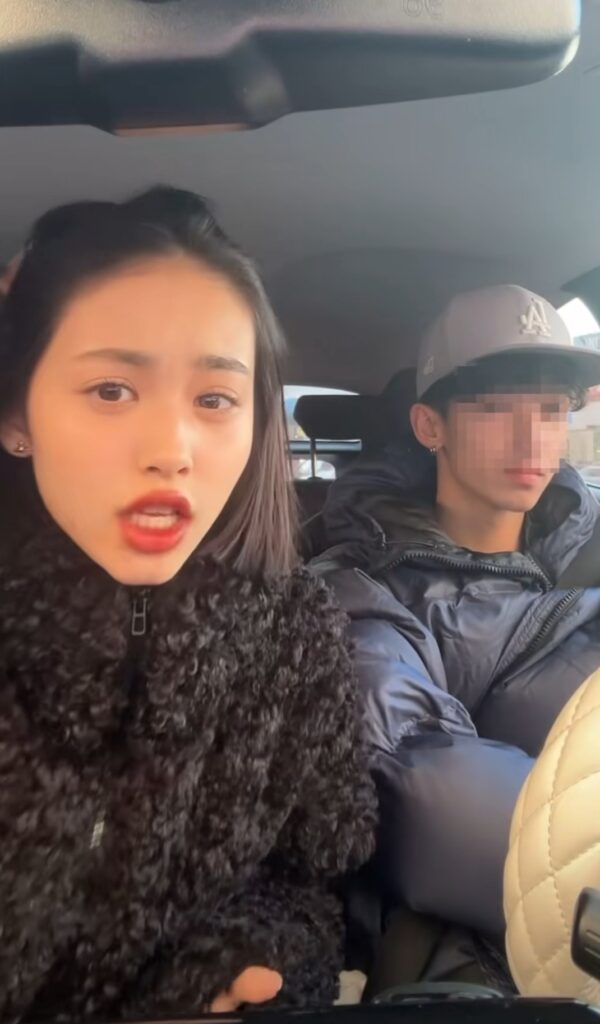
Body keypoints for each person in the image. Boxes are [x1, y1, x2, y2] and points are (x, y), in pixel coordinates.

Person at [0, 186, 376, 1022]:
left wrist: (254, 960)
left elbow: (313, 882)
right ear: (17, 412)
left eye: (214, 400)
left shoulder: (295, 633)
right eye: (111, 390)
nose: (171, 450)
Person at [312, 284, 600, 982]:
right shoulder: (360, 590)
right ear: (428, 425)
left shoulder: (588, 537)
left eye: (551, 410)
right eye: (495, 408)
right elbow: (416, 772)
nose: (532, 440)